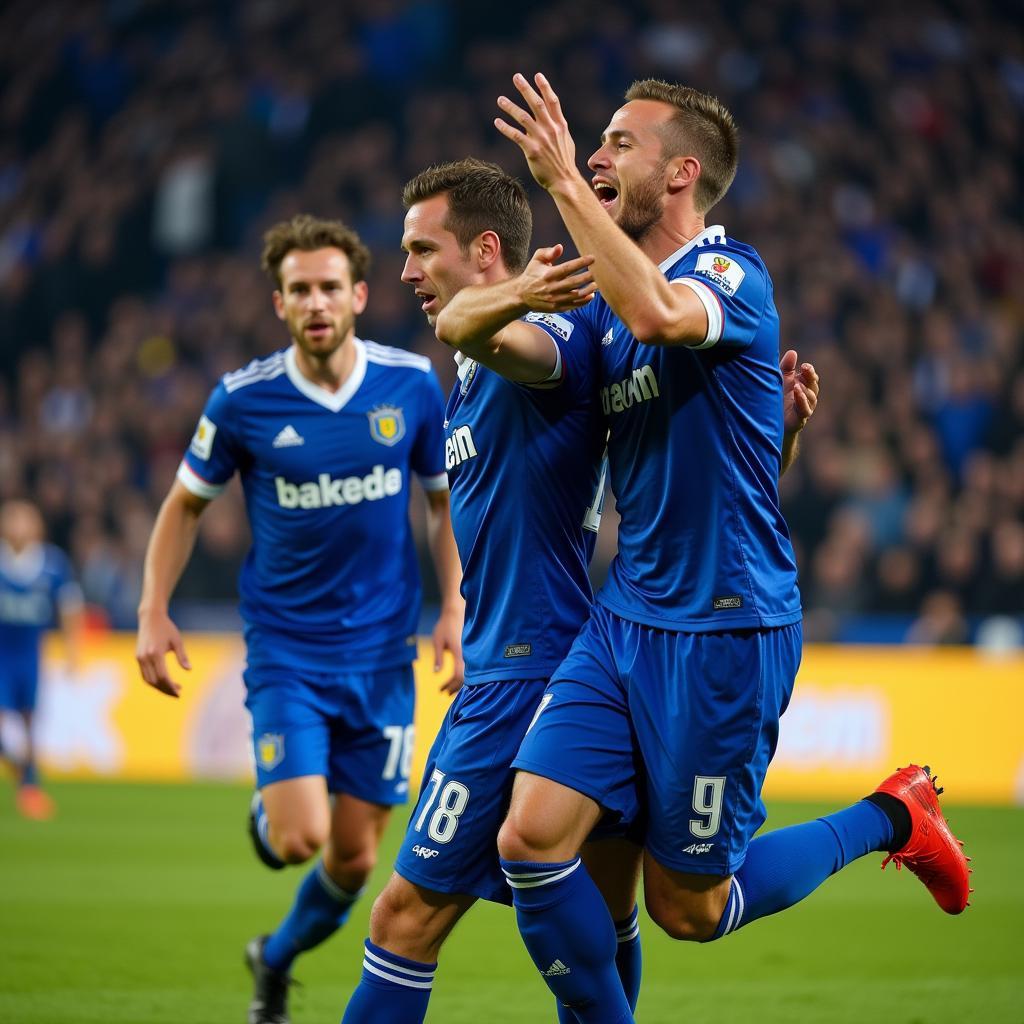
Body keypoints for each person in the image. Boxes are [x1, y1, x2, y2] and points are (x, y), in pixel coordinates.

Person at [433, 75, 970, 1023]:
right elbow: (468, 330)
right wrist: (504, 296)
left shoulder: (732, 277)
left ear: (681, 173)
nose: (596, 157)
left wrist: (559, 179)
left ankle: (894, 816)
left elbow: (661, 319)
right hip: (625, 617)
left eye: (618, 145)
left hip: (727, 631)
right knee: (530, 840)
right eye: (591, 144)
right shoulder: (600, 312)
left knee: (688, 908)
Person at [341, 159, 819, 1024]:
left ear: (486, 250)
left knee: (403, 920)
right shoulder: (487, 361)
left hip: (532, 672)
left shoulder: (548, 342)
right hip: (545, 656)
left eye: (421, 248)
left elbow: (472, 326)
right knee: (622, 914)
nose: (406, 271)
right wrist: (455, 607)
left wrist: (522, 293)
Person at [135, 214, 464, 1024]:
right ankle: (276, 799)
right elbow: (183, 507)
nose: (315, 302)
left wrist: (455, 605)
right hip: (288, 653)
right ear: (278, 304)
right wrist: (152, 611)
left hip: (385, 657)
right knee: (296, 839)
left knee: (354, 861)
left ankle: (274, 958)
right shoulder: (244, 400)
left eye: (328, 287)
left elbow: (441, 505)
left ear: (358, 295)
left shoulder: (412, 386)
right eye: (298, 291)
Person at [0, 499, 83, 820]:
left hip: (30, 657)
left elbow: (70, 608)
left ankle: (30, 787)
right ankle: (23, 773)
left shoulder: (52, 564)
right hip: (2, 656)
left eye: (26, 519)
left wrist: (74, 652)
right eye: (13, 519)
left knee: (30, 724)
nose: (19, 526)